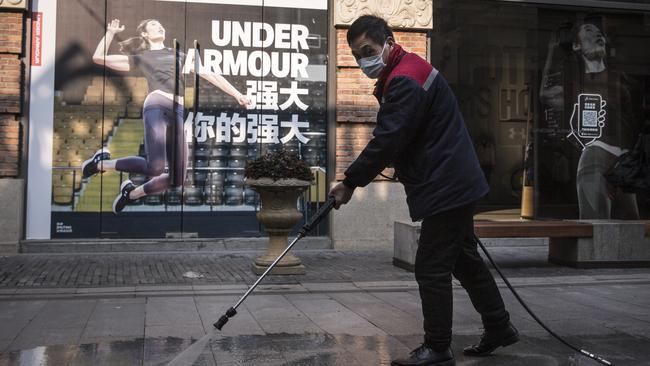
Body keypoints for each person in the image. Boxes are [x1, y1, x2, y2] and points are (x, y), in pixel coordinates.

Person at [328, 15, 518, 366]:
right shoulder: (406, 70)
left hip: (447, 184)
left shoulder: (404, 80)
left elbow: (387, 139)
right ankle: (499, 326)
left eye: (368, 50)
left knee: (431, 267)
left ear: (388, 41)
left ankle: (438, 347)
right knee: (464, 260)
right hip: (452, 180)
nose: (362, 60)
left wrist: (350, 182)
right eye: (356, 55)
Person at [82, 18, 250, 213]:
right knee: (155, 167)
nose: (159, 25)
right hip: (157, 105)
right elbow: (98, 57)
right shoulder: (141, 56)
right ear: (144, 34)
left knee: (177, 178)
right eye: (153, 24)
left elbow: (209, 74)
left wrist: (238, 94)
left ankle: (132, 194)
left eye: (160, 24)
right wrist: (110, 33)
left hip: (178, 112)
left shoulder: (180, 55)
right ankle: (101, 163)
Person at [540, 17, 641, 219]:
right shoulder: (575, 83)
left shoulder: (620, 78)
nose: (597, 34)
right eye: (589, 30)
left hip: (624, 162)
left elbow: (633, 122)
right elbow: (545, 95)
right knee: (597, 228)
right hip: (596, 157)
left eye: (599, 32)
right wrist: (552, 50)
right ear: (577, 45)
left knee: (633, 228)